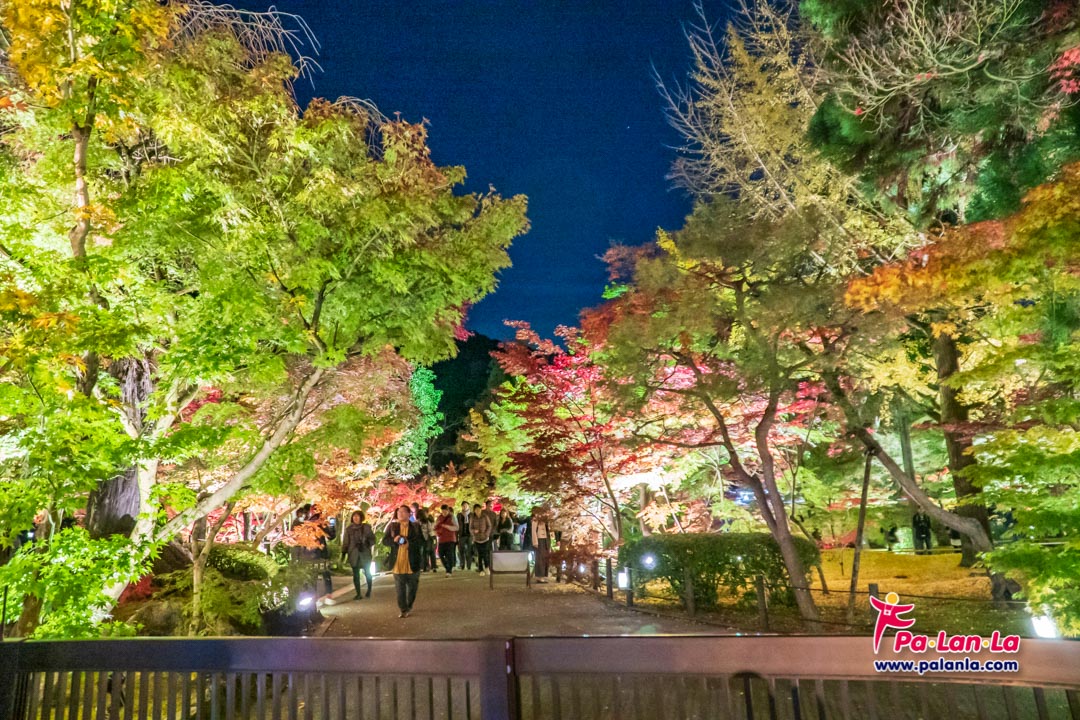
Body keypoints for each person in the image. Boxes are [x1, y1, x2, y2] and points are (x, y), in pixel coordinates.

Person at [382, 505, 424, 618]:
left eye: (403, 512)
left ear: (409, 514)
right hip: (398, 562)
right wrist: (394, 540)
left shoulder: (415, 527)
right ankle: (403, 609)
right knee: (400, 589)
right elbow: (384, 541)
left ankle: (409, 605)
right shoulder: (392, 526)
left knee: (412, 589)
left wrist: (409, 543)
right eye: (399, 512)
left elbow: (421, 542)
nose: (400, 514)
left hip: (412, 562)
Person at [340, 511, 375, 599]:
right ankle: (358, 593)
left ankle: (369, 590)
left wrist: (366, 543)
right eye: (354, 516)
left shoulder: (366, 528)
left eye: (357, 516)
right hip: (353, 553)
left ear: (361, 517)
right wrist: (344, 553)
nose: (356, 518)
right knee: (355, 574)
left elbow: (373, 539)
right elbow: (346, 542)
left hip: (365, 553)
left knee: (367, 572)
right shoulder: (349, 529)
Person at [522, 508, 552, 583]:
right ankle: (539, 576)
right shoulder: (535, 520)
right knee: (539, 558)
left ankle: (544, 575)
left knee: (545, 557)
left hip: (546, 539)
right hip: (539, 540)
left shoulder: (546, 520)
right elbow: (533, 531)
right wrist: (535, 542)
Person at [434, 505, 459, 576]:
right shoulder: (439, 517)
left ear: (448, 510)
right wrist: (437, 532)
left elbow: (457, 527)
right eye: (443, 511)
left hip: (450, 538)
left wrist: (447, 526)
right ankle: (447, 567)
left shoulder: (452, 517)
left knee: (449, 555)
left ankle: (449, 570)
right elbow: (435, 526)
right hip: (442, 539)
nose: (444, 512)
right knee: (440, 553)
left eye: (445, 511)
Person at [470, 503, 494, 575]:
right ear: (474, 510)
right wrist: (474, 531)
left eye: (479, 509)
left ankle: (487, 567)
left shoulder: (485, 516)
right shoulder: (472, 518)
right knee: (480, 554)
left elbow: (489, 526)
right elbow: (470, 528)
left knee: (485, 553)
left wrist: (486, 534)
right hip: (477, 539)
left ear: (481, 509)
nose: (477, 511)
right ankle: (481, 569)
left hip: (485, 538)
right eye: (476, 510)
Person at [417, 508, 437, 572]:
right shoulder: (418, 522)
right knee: (427, 553)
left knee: (428, 552)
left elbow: (430, 529)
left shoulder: (427, 521)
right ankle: (427, 567)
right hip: (424, 538)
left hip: (428, 538)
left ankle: (431, 566)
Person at [457, 502, 473, 570]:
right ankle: (462, 564)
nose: (465, 507)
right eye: (463, 506)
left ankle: (469, 565)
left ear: (468, 506)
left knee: (469, 550)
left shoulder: (472, 515)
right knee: (461, 550)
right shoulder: (459, 515)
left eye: (466, 505)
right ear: (462, 507)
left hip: (470, 535)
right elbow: (457, 524)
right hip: (461, 534)